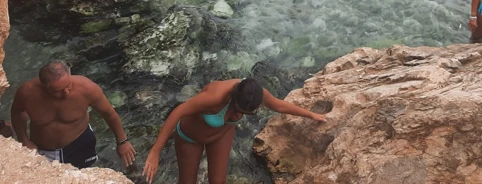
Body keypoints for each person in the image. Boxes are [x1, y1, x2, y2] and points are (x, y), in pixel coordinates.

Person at [142, 78, 325, 184]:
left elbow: (279, 105)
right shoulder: (213, 98)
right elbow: (178, 112)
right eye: (238, 110)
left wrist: (311, 115)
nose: (239, 114)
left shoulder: (255, 92)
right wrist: (155, 151)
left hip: (221, 134)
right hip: (191, 137)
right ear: (233, 98)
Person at [11, 61, 136, 170]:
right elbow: (17, 112)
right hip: (43, 149)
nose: (66, 93)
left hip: (79, 144)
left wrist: (122, 141)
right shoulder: (27, 93)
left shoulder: (87, 88)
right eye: (58, 91)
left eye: (68, 85)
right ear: (44, 87)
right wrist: (24, 139)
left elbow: (108, 114)